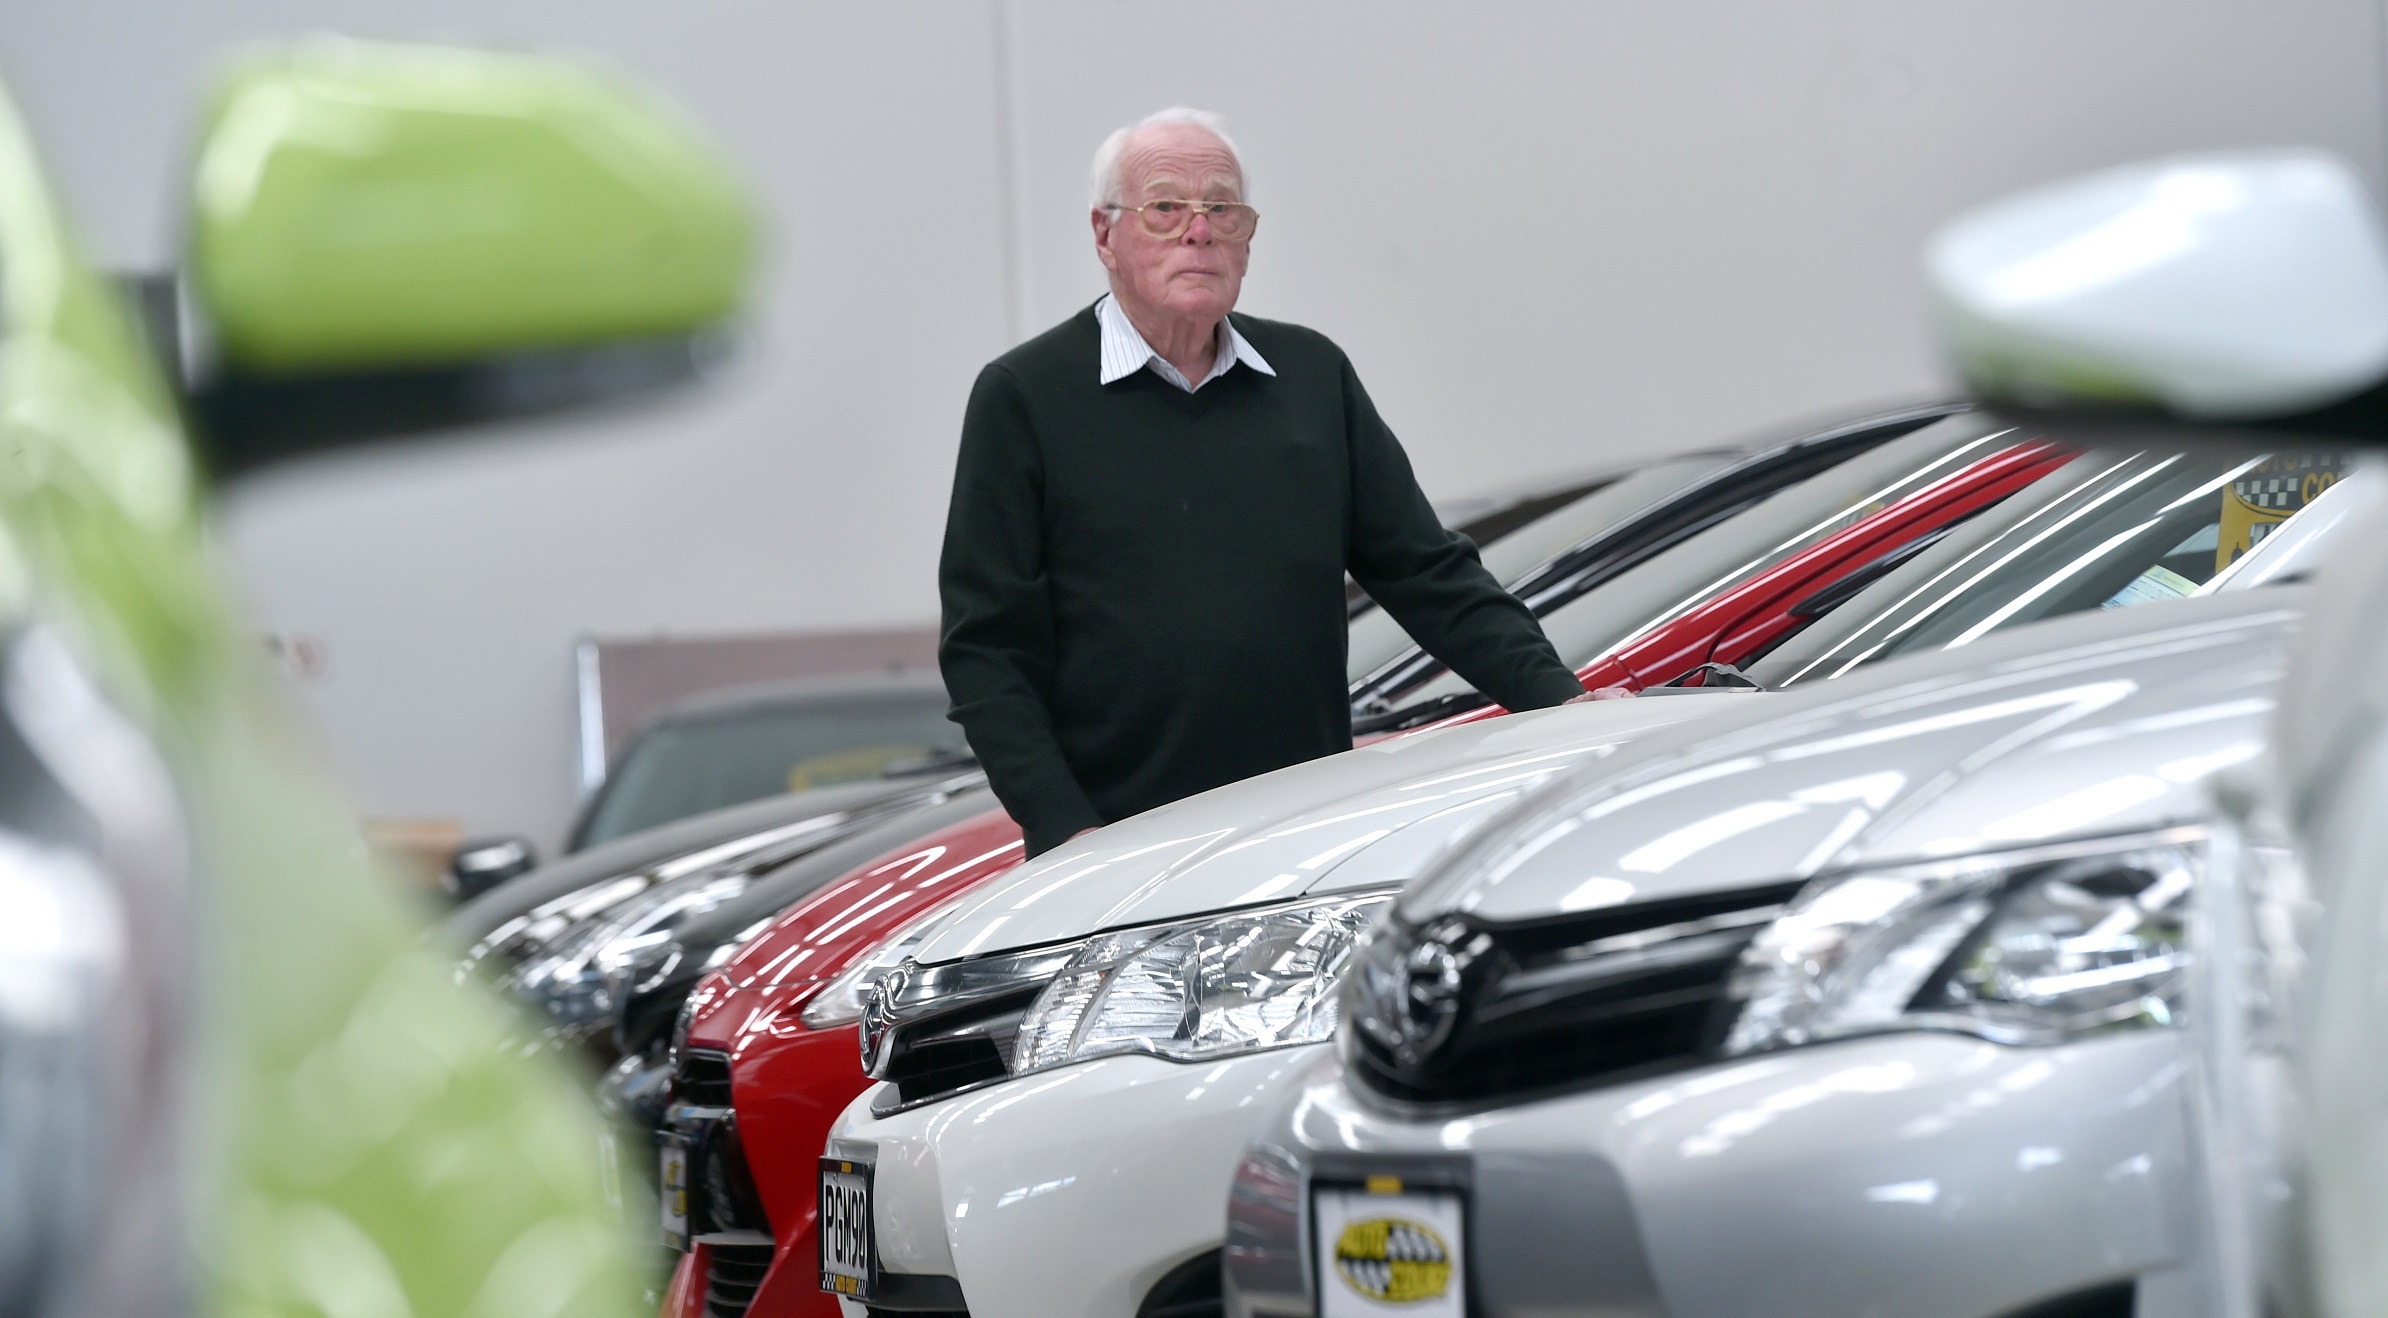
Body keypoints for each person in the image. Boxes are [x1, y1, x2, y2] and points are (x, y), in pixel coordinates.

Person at [938, 107, 1588, 856]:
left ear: (1248, 238)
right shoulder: (1025, 396)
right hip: (1116, 847)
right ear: (1103, 235)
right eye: (1166, 207)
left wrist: (1564, 702)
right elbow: (987, 650)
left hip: (1305, 835)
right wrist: (1065, 830)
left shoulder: (1312, 377)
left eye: (1223, 208)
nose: (1200, 230)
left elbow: (1426, 572)